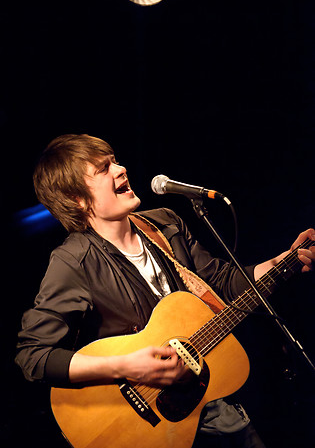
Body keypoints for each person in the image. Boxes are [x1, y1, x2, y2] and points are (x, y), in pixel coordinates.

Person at [16, 134, 315, 448]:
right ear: (78, 199)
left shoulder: (165, 224)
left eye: (115, 160)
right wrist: (126, 365)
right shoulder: (74, 261)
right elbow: (33, 356)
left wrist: (282, 262)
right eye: (104, 169)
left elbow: (222, 283)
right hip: (146, 427)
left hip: (207, 405)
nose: (121, 169)